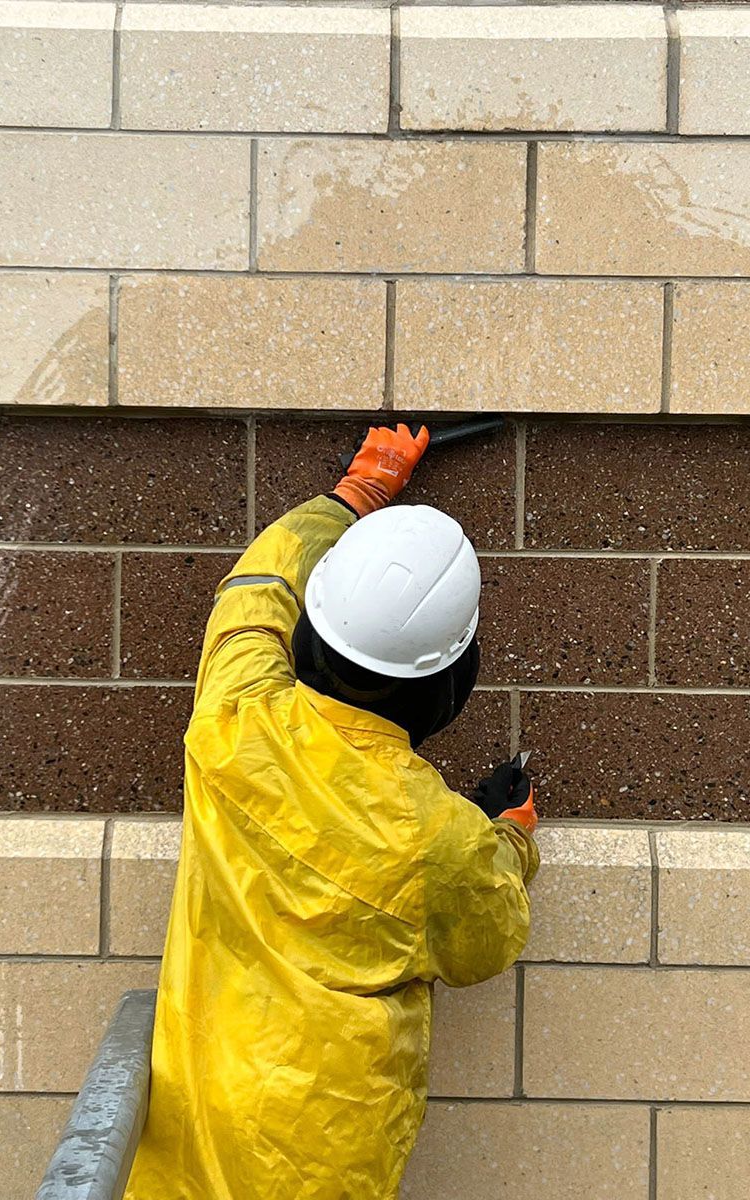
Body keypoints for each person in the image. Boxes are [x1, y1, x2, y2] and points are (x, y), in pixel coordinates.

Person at [124, 424, 539, 1200]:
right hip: (325, 1157)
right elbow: (485, 941)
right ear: (450, 681)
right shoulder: (438, 835)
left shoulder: (237, 717)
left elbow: (256, 588)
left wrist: (358, 493)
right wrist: (510, 840)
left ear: (311, 633)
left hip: (190, 1124)